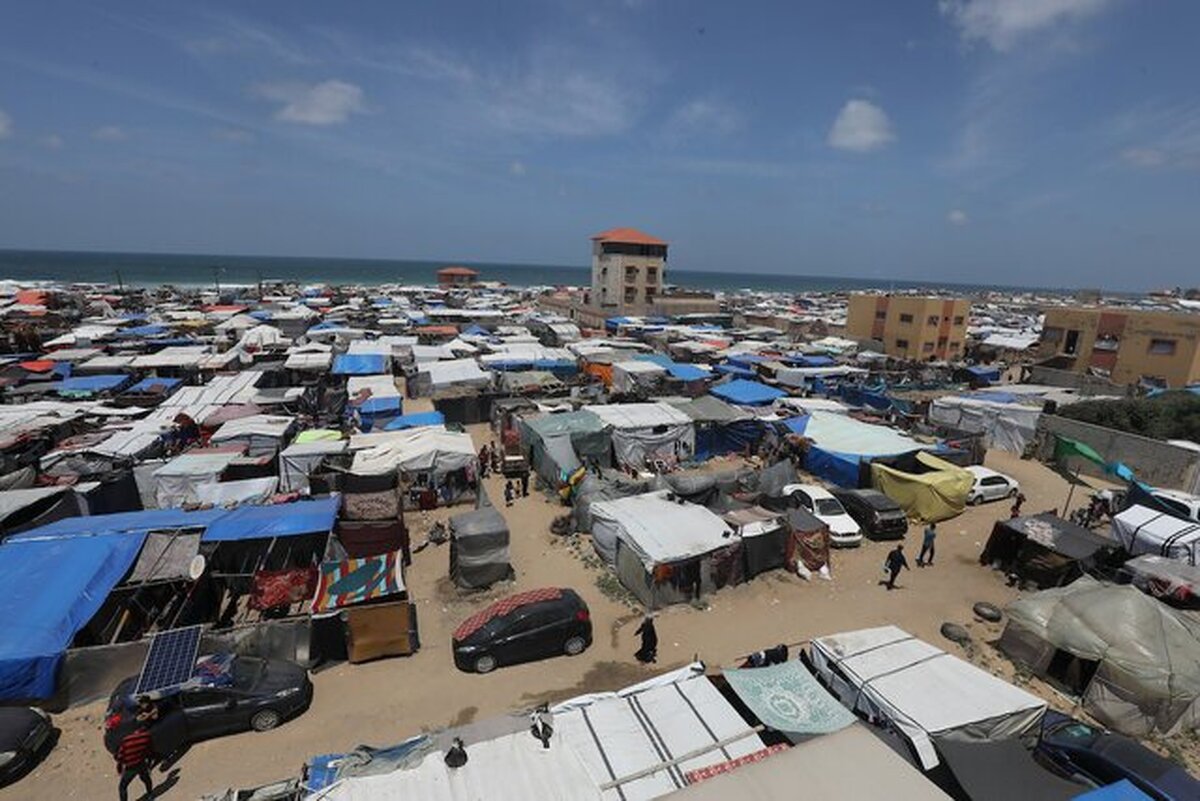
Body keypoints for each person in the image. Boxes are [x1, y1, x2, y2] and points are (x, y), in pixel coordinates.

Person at [115, 720, 154, 801]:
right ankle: (150, 795)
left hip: (130, 767)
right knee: (146, 779)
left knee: (122, 787)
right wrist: (149, 763)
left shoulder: (126, 740)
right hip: (141, 763)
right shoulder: (146, 737)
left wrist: (119, 767)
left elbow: (120, 756)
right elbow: (149, 751)